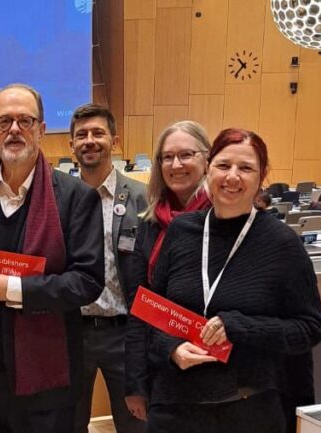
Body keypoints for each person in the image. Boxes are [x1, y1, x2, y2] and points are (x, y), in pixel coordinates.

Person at [0, 83, 105, 433]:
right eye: (4, 122)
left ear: (42, 130)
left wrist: (16, 290)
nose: (14, 129)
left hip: (45, 383)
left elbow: (88, 281)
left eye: (25, 120)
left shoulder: (76, 197)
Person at [140, 128, 321, 433]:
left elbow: (309, 328)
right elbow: (153, 315)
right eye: (224, 166)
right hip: (174, 408)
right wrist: (172, 348)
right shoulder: (180, 231)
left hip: (248, 410)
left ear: (261, 175)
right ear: (208, 168)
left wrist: (239, 327)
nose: (232, 177)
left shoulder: (282, 244)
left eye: (246, 168)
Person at [124, 121, 213, 422]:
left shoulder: (226, 218)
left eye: (186, 154)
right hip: (162, 365)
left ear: (207, 158)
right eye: (167, 157)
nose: (176, 164)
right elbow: (141, 308)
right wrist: (136, 384)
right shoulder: (149, 223)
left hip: (217, 367)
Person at [67, 103, 147, 433]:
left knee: (136, 423)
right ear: (71, 144)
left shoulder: (142, 198)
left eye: (98, 133)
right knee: (68, 423)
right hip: (72, 331)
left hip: (125, 332)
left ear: (114, 141)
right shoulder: (61, 199)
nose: (89, 141)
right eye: (81, 135)